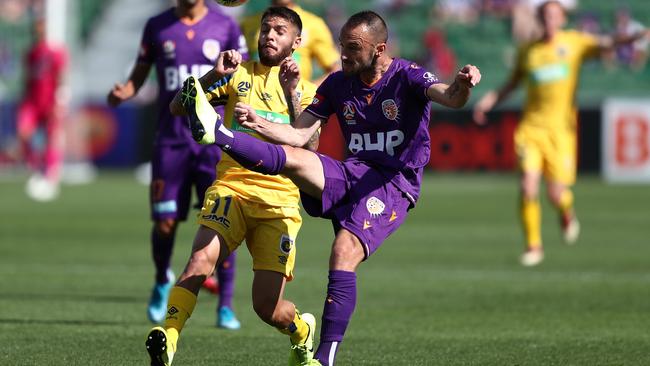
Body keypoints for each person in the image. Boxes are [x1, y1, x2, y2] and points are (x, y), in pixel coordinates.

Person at [180, 10, 481, 366]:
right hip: (354, 172)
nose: (343, 55)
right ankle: (221, 134)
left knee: (343, 250)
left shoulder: (408, 76)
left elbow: (450, 97)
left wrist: (463, 84)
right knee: (295, 158)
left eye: (353, 48)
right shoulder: (338, 83)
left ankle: (324, 359)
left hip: (393, 183)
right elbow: (298, 136)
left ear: (379, 49)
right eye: (342, 46)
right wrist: (258, 123)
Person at [146, 6, 320, 366]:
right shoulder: (237, 75)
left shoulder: (307, 90)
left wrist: (290, 95)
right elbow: (179, 108)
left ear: (296, 41)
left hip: (279, 204)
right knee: (198, 261)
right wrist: (212, 75)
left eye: (280, 30)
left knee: (267, 308)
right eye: (266, 28)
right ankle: (170, 337)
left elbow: (312, 150)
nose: (270, 35)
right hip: (232, 190)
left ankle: (301, 331)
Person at [473, 0, 650, 266]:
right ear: (539, 19)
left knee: (556, 194)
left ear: (562, 19)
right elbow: (511, 84)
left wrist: (634, 37)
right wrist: (488, 101)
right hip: (531, 129)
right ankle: (533, 246)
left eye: (554, 16)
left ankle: (566, 211)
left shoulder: (575, 42)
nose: (549, 21)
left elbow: (608, 43)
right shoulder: (528, 52)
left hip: (561, 132)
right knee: (527, 186)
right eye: (544, 16)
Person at [107, 0, 246, 328]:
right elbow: (138, 76)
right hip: (171, 141)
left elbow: (243, 79)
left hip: (214, 141)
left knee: (223, 221)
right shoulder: (157, 25)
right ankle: (160, 280)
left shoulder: (225, 25)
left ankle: (225, 305)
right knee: (165, 222)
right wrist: (123, 92)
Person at [17, 17, 67, 202]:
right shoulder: (30, 54)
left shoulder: (55, 53)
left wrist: (59, 99)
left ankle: (51, 173)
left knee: (52, 137)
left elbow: (61, 76)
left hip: (50, 102)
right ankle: (35, 167)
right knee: (24, 132)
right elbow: (27, 78)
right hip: (32, 102)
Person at [240, 0, 339, 84]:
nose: (270, 35)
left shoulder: (314, 24)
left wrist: (308, 92)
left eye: (280, 31)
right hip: (255, 101)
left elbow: (335, 70)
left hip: (293, 103)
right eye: (265, 30)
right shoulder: (247, 24)